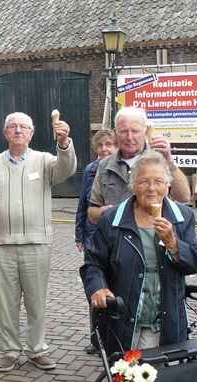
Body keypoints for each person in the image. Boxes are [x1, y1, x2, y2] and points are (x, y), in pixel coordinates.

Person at [80, 151, 197, 382]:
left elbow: (196, 260)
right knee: (122, 378)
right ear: (134, 185)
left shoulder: (182, 217)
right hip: (124, 316)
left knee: (153, 379)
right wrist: (98, 287)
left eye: (159, 182)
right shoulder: (113, 219)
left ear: (168, 186)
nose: (152, 188)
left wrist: (175, 244)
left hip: (164, 317)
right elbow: (93, 262)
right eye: (145, 181)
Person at [0, 112, 76, 372]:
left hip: (37, 244)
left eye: (23, 127)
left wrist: (64, 144)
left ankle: (36, 349)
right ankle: (9, 350)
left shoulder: (44, 161)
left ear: (31, 134)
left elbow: (66, 170)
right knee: (5, 303)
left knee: (35, 301)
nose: (18, 131)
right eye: (12, 127)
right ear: (5, 134)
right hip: (2, 244)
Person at [88, 107, 191, 224]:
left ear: (145, 133)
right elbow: (92, 212)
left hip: (153, 236)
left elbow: (184, 197)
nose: (129, 137)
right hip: (116, 238)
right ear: (116, 133)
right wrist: (105, 213)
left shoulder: (160, 162)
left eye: (135, 131)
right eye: (123, 131)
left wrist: (168, 160)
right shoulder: (104, 166)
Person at [75, 129, 118, 356]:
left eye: (108, 144)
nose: (104, 149)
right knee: (94, 287)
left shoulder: (121, 168)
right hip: (94, 236)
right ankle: (96, 337)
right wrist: (79, 234)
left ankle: (115, 335)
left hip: (116, 236)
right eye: (100, 145)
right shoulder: (91, 170)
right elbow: (84, 203)